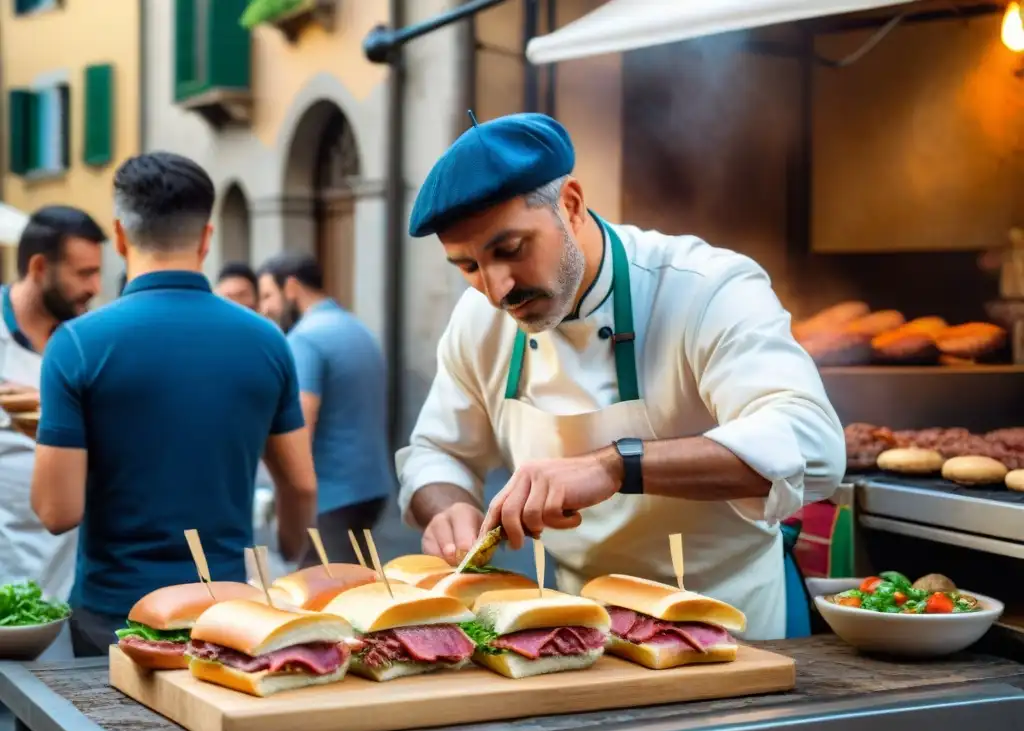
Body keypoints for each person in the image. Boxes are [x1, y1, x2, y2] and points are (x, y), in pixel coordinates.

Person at [396, 113, 846, 640]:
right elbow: (436, 452)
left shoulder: (705, 288)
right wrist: (448, 506)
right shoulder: (480, 322)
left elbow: (811, 442)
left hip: (733, 619)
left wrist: (615, 466)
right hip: (578, 627)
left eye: (510, 250)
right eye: (468, 267)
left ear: (570, 204)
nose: (497, 290)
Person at [30, 152, 318, 656]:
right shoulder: (268, 341)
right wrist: (291, 549)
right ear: (207, 239)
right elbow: (300, 483)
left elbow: (57, 511)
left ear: (120, 238)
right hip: (223, 613)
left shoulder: (77, 345)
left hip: (113, 619)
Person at [258, 252, 392, 565]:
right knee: (358, 590)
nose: (264, 308)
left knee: (323, 603)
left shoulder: (305, 339)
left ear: (291, 288)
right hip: (371, 490)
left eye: (267, 295)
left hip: (330, 500)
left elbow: (298, 433)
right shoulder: (356, 328)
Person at [0, 206, 104, 606]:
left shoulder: (90, 342)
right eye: (83, 274)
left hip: (73, 586)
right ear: (39, 266)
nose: (95, 286)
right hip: (9, 573)